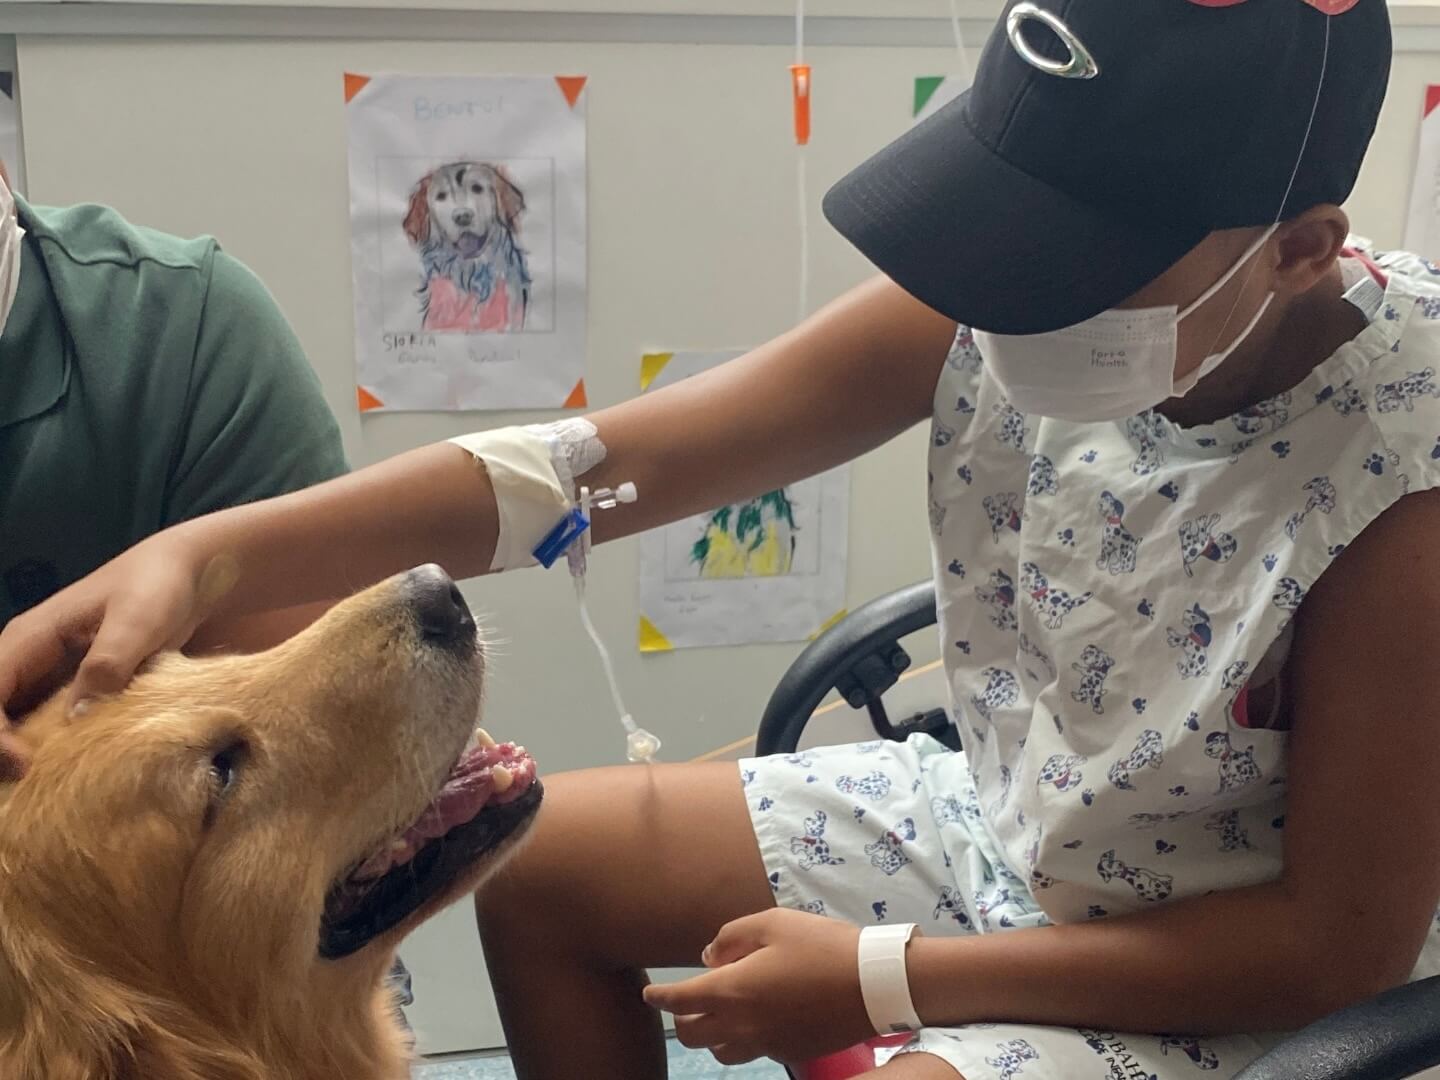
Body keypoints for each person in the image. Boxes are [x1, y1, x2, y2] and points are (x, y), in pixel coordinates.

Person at [3, 1, 1438, 1077]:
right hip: (1006, 827)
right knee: (545, 865)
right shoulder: (1012, 294)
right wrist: (213, 555)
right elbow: (590, 470)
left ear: (1302, 250)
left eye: (1063, 277)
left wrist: (890, 982)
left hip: (1217, 964)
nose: (1002, 308)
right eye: (1001, 250)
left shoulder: (1402, 482)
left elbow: (1335, 946)